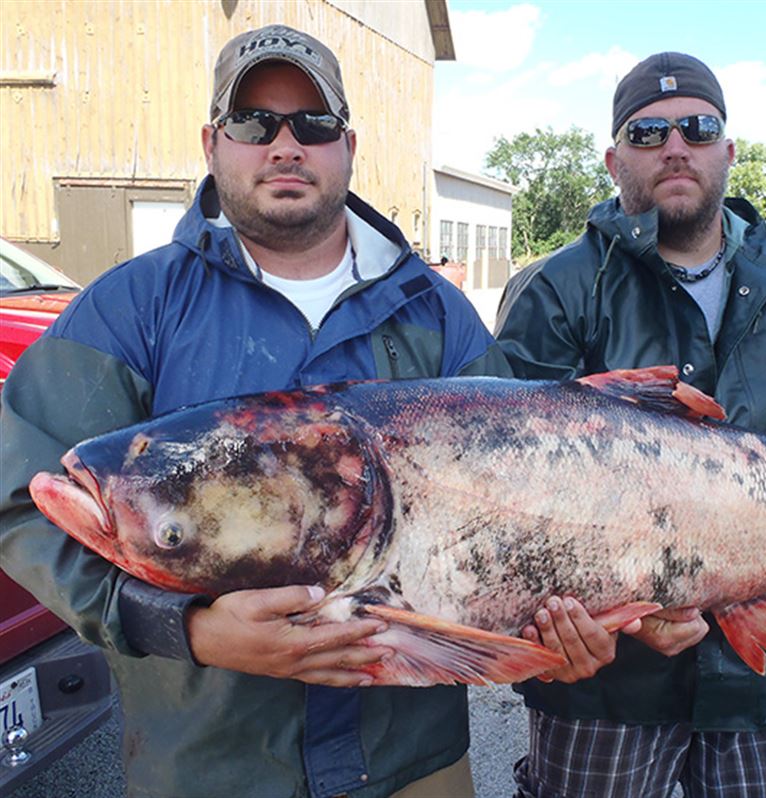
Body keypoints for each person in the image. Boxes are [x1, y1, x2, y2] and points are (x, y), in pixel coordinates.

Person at [0, 24, 512, 798]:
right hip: (212, 767)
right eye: (253, 122)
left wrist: (556, 623)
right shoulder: (130, 311)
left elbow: (524, 504)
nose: (283, 144)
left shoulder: (438, 316)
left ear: (347, 147)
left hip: (414, 764)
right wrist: (183, 627)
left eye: (313, 124)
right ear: (213, 141)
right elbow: (22, 501)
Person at [495, 52, 766, 798]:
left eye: (697, 128)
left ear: (727, 151)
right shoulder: (557, 289)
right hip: (604, 687)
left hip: (756, 669)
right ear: (614, 160)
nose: (675, 147)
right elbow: (507, 482)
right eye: (648, 134)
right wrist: (627, 619)